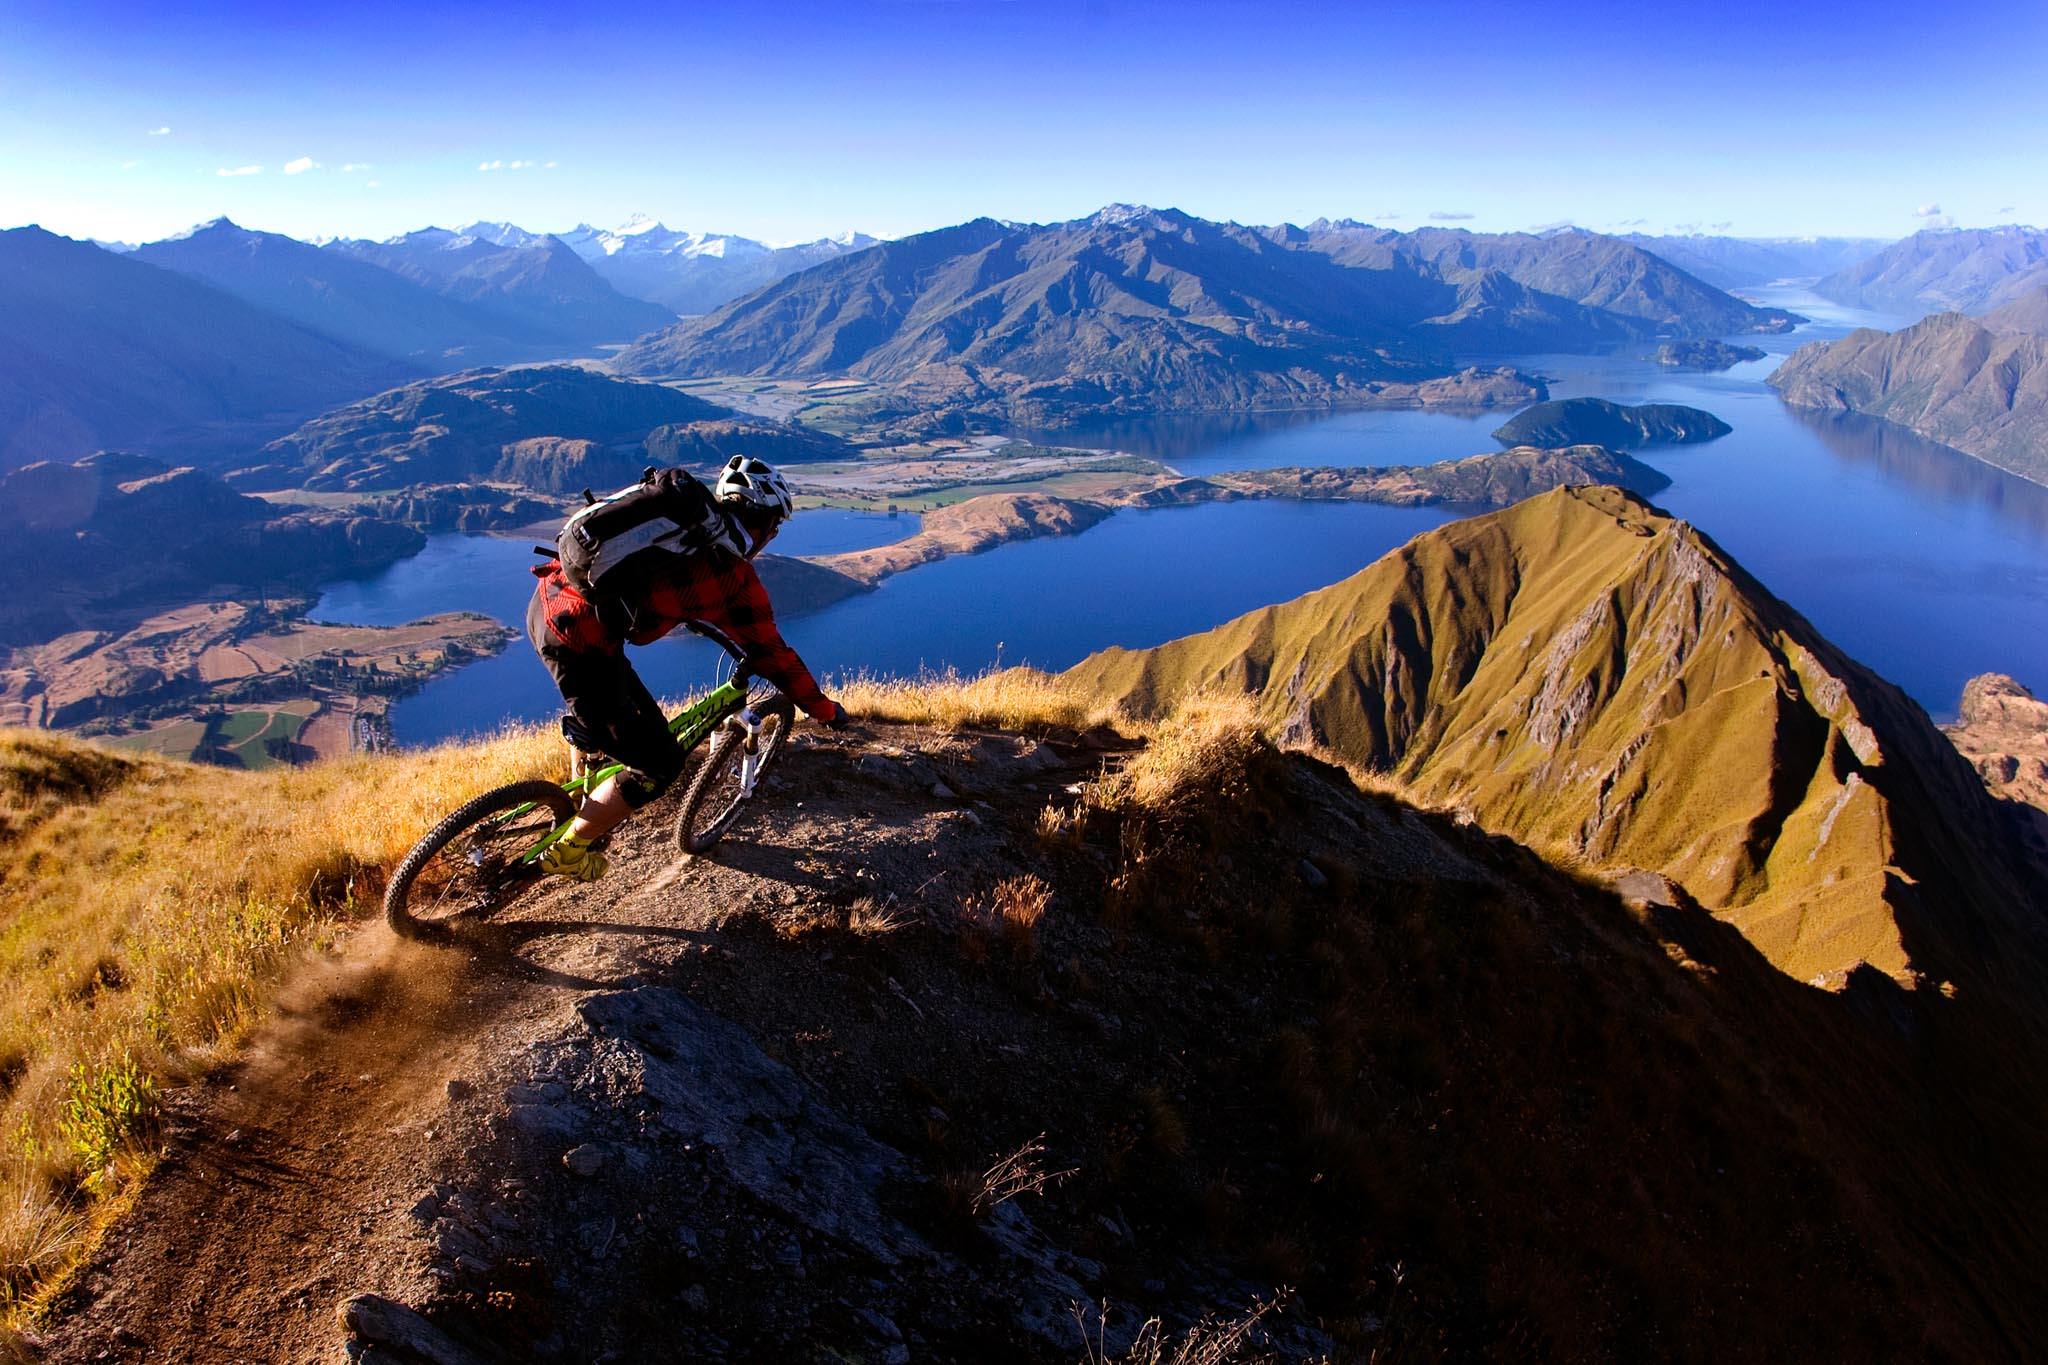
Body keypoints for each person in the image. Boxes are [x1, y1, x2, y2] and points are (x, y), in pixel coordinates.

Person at [526, 455, 846, 881]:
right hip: (579, 645)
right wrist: (824, 710)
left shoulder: (676, 522)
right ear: (766, 526)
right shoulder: (732, 577)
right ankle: (570, 849)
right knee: (659, 765)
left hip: (547, 600)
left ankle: (586, 765)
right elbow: (775, 656)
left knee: (613, 706)